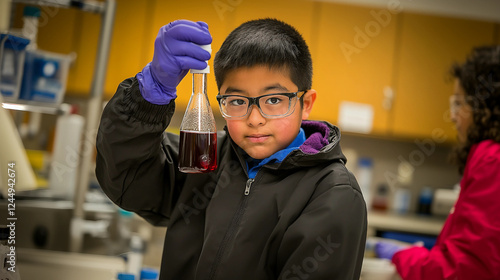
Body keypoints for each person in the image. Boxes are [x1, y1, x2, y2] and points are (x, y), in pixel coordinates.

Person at [96, 19, 367, 280]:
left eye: (274, 99)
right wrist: (151, 92)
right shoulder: (207, 158)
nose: (255, 118)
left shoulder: (332, 194)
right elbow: (128, 179)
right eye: (237, 100)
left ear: (306, 103)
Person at [375, 45, 500, 280]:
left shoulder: (492, 159)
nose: (452, 115)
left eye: (459, 104)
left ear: (483, 106)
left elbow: (465, 269)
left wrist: (404, 257)